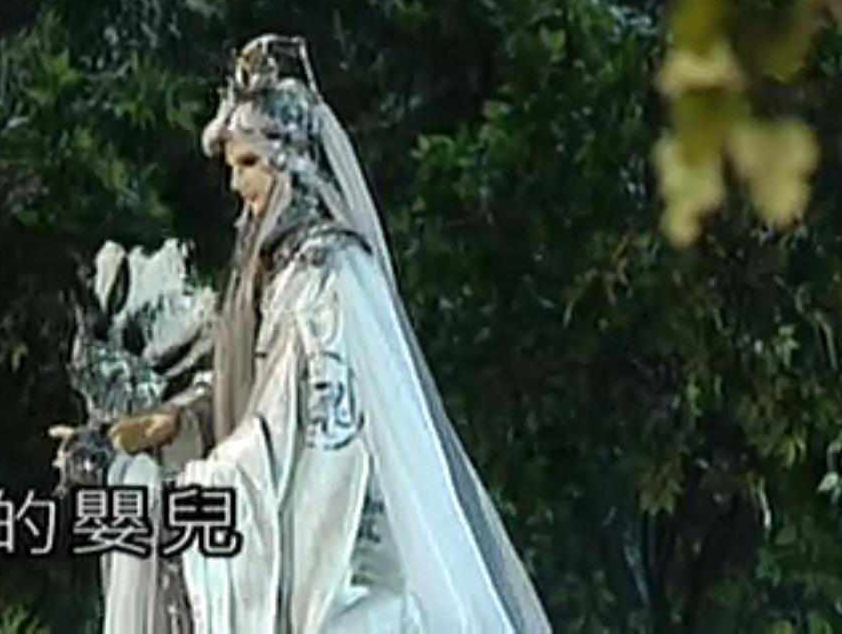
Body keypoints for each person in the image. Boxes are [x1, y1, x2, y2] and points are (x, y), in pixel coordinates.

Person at [63, 36, 550, 633]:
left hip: (342, 566)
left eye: (249, 163)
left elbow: (282, 433)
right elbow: (260, 383)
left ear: (290, 160)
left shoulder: (325, 278)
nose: (236, 184)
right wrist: (177, 419)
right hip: (305, 544)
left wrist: (170, 499)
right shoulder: (280, 269)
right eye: (231, 166)